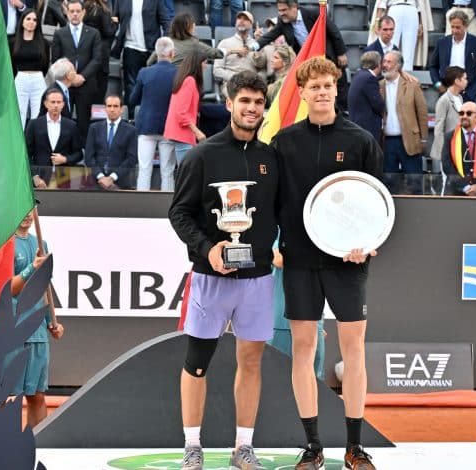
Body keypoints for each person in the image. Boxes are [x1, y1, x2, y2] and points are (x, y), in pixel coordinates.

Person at [270, 57, 383, 470]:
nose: (321, 92)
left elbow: (376, 205)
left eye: (327, 85)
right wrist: (272, 246)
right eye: (313, 86)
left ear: (337, 89)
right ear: (302, 92)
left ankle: (354, 446)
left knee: (353, 350)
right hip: (299, 261)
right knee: (304, 347)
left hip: (347, 263)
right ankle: (313, 445)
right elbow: (271, 203)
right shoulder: (283, 143)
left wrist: (368, 244)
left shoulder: (360, 141)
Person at [168, 70, 278, 470]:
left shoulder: (270, 159)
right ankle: (192, 446)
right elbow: (178, 212)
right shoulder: (202, 155)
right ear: (229, 103)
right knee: (197, 360)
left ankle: (243, 448)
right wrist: (209, 249)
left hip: (258, 278)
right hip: (211, 276)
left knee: (251, 361)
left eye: (258, 102)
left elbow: (282, 213)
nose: (251, 108)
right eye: (244, 101)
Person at [11, 208, 65, 427]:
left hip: (37, 332)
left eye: (31, 209)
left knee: (37, 396)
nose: (27, 214)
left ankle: (35, 448)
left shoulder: (41, 244)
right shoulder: (4, 246)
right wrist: (30, 269)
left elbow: (42, 288)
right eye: (22, 209)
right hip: (11, 330)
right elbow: (8, 290)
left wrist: (50, 322)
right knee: (6, 398)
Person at [253, 0, 350, 110]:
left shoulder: (313, 13)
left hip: (329, 57)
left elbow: (333, 31)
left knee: (337, 87)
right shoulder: (283, 22)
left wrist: (341, 53)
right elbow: (269, 36)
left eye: (284, 10)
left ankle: (341, 114)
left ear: (294, 8)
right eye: (279, 10)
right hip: (310, 63)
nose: (281, 13)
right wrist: (252, 46)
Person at [268, 241, 326, 382]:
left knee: (314, 382)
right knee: (276, 381)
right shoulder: (277, 229)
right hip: (280, 322)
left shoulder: (316, 230)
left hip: (312, 321)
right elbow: (279, 259)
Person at [129, 36, 178, 191]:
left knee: (144, 169)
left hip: (146, 125)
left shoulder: (144, 72)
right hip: (168, 126)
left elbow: (132, 99)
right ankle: (168, 209)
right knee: (168, 172)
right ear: (172, 53)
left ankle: (141, 209)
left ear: (157, 54)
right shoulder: (179, 73)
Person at [51, 0, 103, 142]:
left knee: (84, 122)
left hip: (86, 85)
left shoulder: (93, 33)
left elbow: (97, 59)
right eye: (71, 11)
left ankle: (84, 154)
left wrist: (82, 76)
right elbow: (56, 59)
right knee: (65, 121)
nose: (75, 14)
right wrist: (69, 76)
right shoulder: (59, 34)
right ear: (66, 13)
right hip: (65, 86)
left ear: (83, 13)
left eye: (78, 11)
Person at [380, 50, 429, 195]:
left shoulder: (412, 84)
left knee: (414, 181)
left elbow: (422, 112)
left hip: (409, 139)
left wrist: (424, 138)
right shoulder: (378, 85)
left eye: (389, 62)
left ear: (398, 66)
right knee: (389, 182)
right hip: (387, 141)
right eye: (384, 61)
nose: (385, 65)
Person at [111, 0, 173, 108]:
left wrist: (164, 44)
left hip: (151, 50)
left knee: (152, 85)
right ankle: (131, 116)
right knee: (131, 86)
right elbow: (115, 20)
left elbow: (166, 22)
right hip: (130, 47)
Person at [25, 88, 83, 188]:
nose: (56, 105)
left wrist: (65, 159)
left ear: (63, 104)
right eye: (52, 102)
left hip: (64, 178)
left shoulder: (71, 125)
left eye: (58, 102)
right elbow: (26, 154)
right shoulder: (34, 124)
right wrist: (35, 177)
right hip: (40, 180)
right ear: (46, 104)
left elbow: (79, 154)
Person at [428, 10, 476, 103]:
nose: (454, 31)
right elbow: (433, 66)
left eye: (458, 27)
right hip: (446, 92)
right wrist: (438, 84)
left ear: (465, 26)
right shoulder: (442, 43)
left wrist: (474, 90)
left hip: (469, 93)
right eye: (452, 27)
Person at [442, 101, 476, 196]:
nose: (464, 116)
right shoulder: (449, 137)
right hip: (457, 190)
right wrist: (465, 187)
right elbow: (447, 165)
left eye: (468, 113)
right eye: (461, 113)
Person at [84, 94, 138, 190]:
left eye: (115, 106)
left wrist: (112, 177)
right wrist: (100, 176)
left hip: (120, 182)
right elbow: (89, 157)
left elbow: (131, 159)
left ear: (121, 109)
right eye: (109, 106)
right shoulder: (94, 128)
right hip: (96, 181)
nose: (112, 109)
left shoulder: (131, 131)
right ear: (105, 108)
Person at [9, 9, 51, 129]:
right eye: (28, 19)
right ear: (22, 21)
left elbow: (45, 65)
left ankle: (34, 145)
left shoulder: (44, 43)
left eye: (34, 20)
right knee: (19, 114)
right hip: (20, 79)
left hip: (38, 79)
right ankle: (18, 146)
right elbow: (11, 64)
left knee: (37, 115)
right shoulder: (13, 42)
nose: (31, 22)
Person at [163, 50, 206, 167]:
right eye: (204, 63)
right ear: (198, 64)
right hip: (182, 135)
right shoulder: (189, 81)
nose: (206, 66)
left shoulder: (185, 79)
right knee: (186, 173)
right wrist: (197, 132)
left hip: (180, 134)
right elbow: (181, 113)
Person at [214, 11, 267, 98]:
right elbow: (217, 70)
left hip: (252, 85)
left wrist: (258, 44)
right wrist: (237, 79)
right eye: (239, 18)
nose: (241, 21)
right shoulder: (224, 43)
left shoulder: (257, 44)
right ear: (235, 23)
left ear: (251, 25)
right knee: (241, 98)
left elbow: (262, 67)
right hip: (232, 84)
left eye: (245, 19)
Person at [430, 66, 467, 169]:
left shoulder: (460, 98)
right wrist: (444, 152)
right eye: (464, 78)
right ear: (457, 81)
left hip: (459, 147)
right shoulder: (444, 100)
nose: (466, 81)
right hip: (448, 150)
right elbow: (439, 129)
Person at [158, 12, 225, 67]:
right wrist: (229, 50)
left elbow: (150, 62)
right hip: (182, 79)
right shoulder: (193, 44)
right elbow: (217, 54)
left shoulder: (165, 42)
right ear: (189, 27)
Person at [83, 0, 116, 104]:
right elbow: (108, 31)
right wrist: (115, 24)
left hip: (86, 52)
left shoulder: (84, 8)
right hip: (101, 54)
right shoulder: (103, 10)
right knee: (100, 90)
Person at [347, 51, 384, 143]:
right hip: (368, 129)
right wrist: (381, 96)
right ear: (378, 64)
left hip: (357, 125)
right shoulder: (370, 79)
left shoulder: (359, 75)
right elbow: (379, 106)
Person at [376, 1, 421, 71]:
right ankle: (388, 75)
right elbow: (382, 2)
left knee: (409, 51)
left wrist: (421, 22)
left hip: (412, 8)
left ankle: (406, 77)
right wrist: (378, 19)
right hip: (395, 7)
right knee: (390, 45)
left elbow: (421, 4)